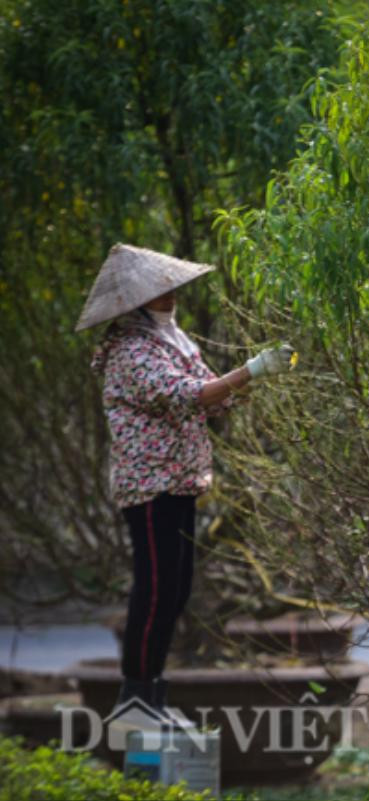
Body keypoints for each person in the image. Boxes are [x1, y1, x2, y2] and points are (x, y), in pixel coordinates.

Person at [77, 244, 294, 723]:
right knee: (155, 590)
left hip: (180, 481)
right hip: (150, 485)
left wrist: (244, 380)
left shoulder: (172, 341)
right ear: (135, 301)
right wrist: (252, 370)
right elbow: (184, 396)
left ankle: (150, 697)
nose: (171, 294)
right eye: (161, 289)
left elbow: (212, 397)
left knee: (175, 590)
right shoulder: (131, 351)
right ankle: (135, 699)